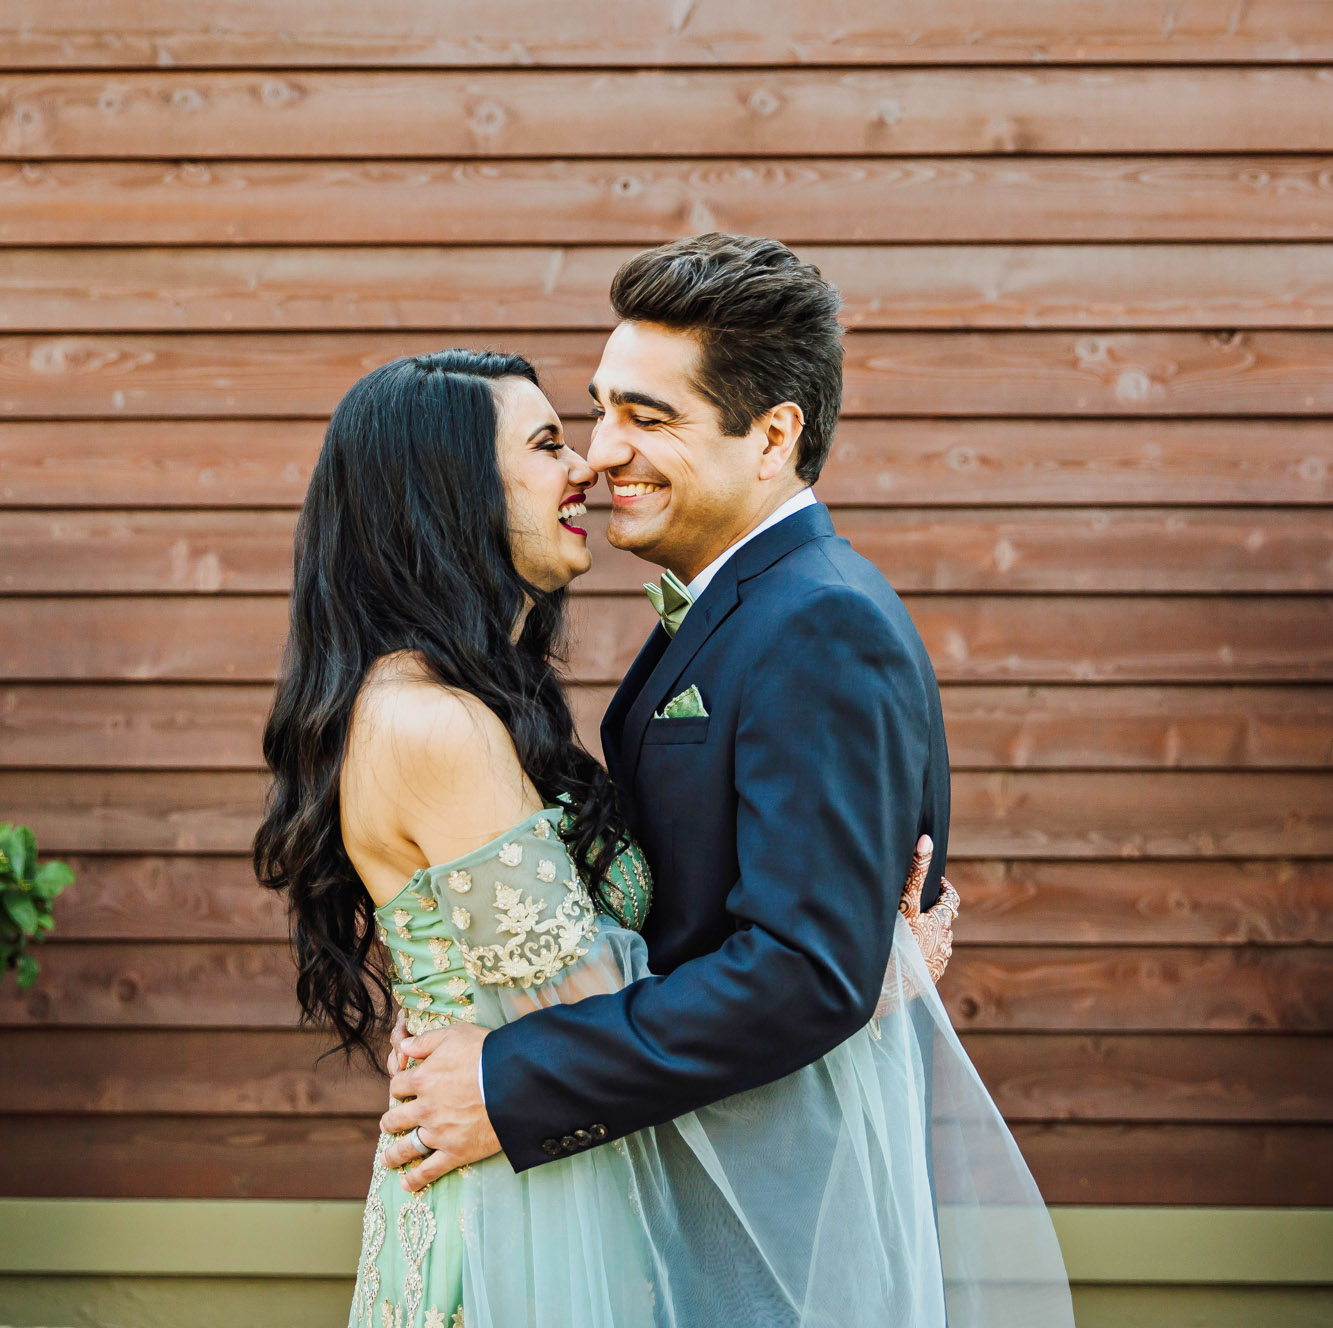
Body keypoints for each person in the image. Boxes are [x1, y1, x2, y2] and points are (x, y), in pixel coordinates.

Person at [256, 238, 1071, 1328]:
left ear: (773, 435)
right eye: (585, 420)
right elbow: (700, 957)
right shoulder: (479, 703)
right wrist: (865, 978)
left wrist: (854, 979)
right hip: (574, 1202)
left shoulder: (815, 620)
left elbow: (791, 967)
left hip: (754, 1209)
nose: (598, 457)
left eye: (648, 418)